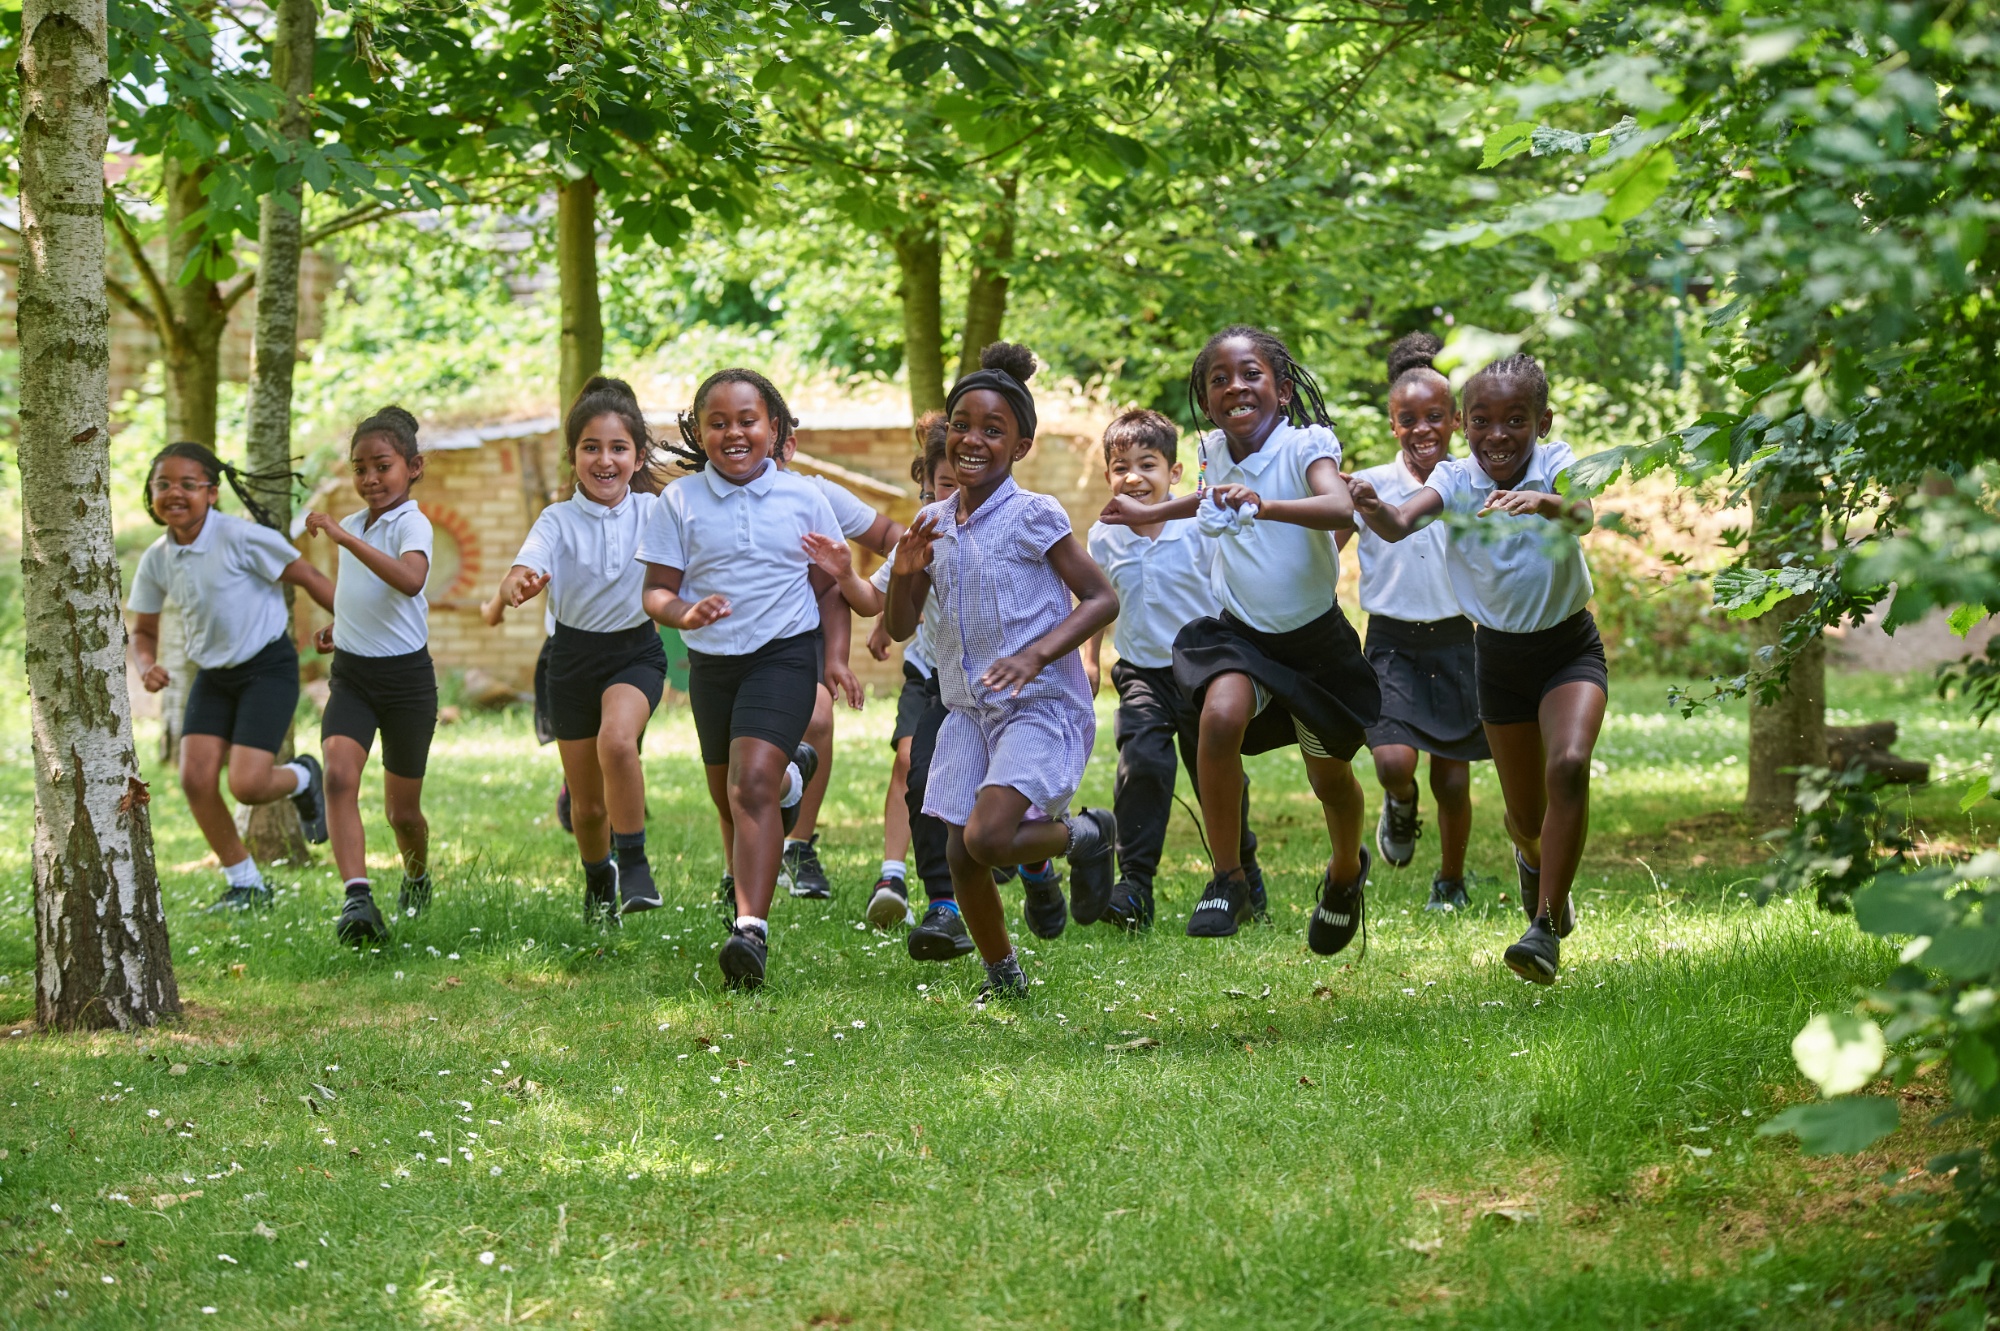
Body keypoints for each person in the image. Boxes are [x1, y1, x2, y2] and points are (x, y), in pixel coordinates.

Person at [1099, 325, 1380, 954]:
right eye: (1219, 379)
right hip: (1241, 637)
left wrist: (1265, 503)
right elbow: (1206, 501)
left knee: (1330, 781)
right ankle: (1228, 878)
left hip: (1315, 648)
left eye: (1251, 374)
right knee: (1220, 717)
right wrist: (1151, 512)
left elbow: (1340, 508)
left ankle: (1344, 872)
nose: (1235, 387)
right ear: (1206, 398)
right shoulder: (1215, 450)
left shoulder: (1305, 445)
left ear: (1283, 389)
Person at [1348, 351, 1603, 984]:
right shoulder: (1457, 479)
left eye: (1516, 420)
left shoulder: (1557, 462)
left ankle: (1544, 930)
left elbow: (1583, 515)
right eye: (1482, 420)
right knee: (1526, 818)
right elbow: (1398, 524)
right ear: (1464, 424)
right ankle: (1532, 859)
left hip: (1569, 648)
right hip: (1497, 659)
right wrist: (1370, 503)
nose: (1498, 435)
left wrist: (1541, 502)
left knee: (1569, 766)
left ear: (1543, 422)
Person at [884, 342, 1119, 1002]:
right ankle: (1004, 975)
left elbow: (1101, 598)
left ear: (1020, 445)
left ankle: (1088, 834)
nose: (972, 439)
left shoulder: (1034, 514)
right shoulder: (932, 522)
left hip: (1038, 704)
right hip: (968, 711)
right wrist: (904, 572)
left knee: (987, 837)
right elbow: (900, 627)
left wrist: (1036, 654)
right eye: (962, 424)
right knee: (961, 854)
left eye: (993, 429)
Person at [641, 368, 849, 991]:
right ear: (699, 433)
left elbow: (831, 585)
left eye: (747, 420)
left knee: (749, 784)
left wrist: (834, 657)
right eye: (718, 423)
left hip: (784, 656)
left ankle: (750, 930)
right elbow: (656, 591)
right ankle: (792, 776)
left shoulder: (804, 498)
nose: (733, 433)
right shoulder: (679, 502)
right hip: (713, 666)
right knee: (730, 797)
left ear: (773, 428)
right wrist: (684, 613)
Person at [128, 442, 335, 911]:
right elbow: (142, 630)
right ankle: (246, 883)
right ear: (151, 493)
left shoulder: (241, 537)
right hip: (214, 675)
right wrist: (145, 665)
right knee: (194, 779)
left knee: (248, 785)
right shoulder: (158, 558)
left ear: (212, 492)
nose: (174, 493)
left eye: (188, 484)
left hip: (267, 667)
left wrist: (344, 622)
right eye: (163, 484)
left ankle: (302, 776)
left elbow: (307, 575)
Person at [496, 377, 667, 924]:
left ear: (637, 456)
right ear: (572, 456)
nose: (605, 460)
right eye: (591, 447)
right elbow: (525, 564)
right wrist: (515, 584)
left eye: (618, 448)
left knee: (617, 742)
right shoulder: (557, 520)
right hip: (570, 662)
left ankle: (634, 864)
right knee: (587, 807)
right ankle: (599, 881)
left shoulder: (655, 511)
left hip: (636, 653)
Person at [1085, 408, 1260, 931]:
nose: (1133, 478)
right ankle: (1134, 887)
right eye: (1121, 467)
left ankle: (1243, 875)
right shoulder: (1103, 536)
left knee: (1217, 778)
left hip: (1205, 671)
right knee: (1142, 765)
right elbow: (1097, 601)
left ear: (1175, 472)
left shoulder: (1199, 527)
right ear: (1108, 475)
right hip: (1141, 673)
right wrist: (1089, 658)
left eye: (1148, 464)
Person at [1338, 332, 1489, 911]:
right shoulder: (1371, 484)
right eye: (1409, 419)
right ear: (1393, 424)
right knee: (1393, 762)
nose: (1423, 429)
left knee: (1452, 779)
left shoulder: (1473, 481)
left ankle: (1450, 881)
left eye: (1434, 417)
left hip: (1457, 641)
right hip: (1391, 642)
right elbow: (1325, 545)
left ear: (1455, 421)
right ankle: (1400, 803)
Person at [302, 407, 439, 945]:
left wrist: (342, 537)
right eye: (360, 468)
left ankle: (417, 877)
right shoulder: (357, 524)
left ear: (413, 467)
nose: (370, 479)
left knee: (402, 814)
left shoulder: (411, 523)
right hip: (353, 677)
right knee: (338, 776)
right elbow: (365, 592)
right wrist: (342, 624)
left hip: (407, 684)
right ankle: (357, 898)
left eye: (383, 466)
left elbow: (409, 579)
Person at [775, 440, 902, 902]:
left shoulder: (818, 496)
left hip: (804, 633)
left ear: (787, 444)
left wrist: (896, 607)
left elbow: (895, 539)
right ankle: (743, 862)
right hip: (736, 642)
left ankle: (798, 846)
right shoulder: (706, 499)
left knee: (819, 720)